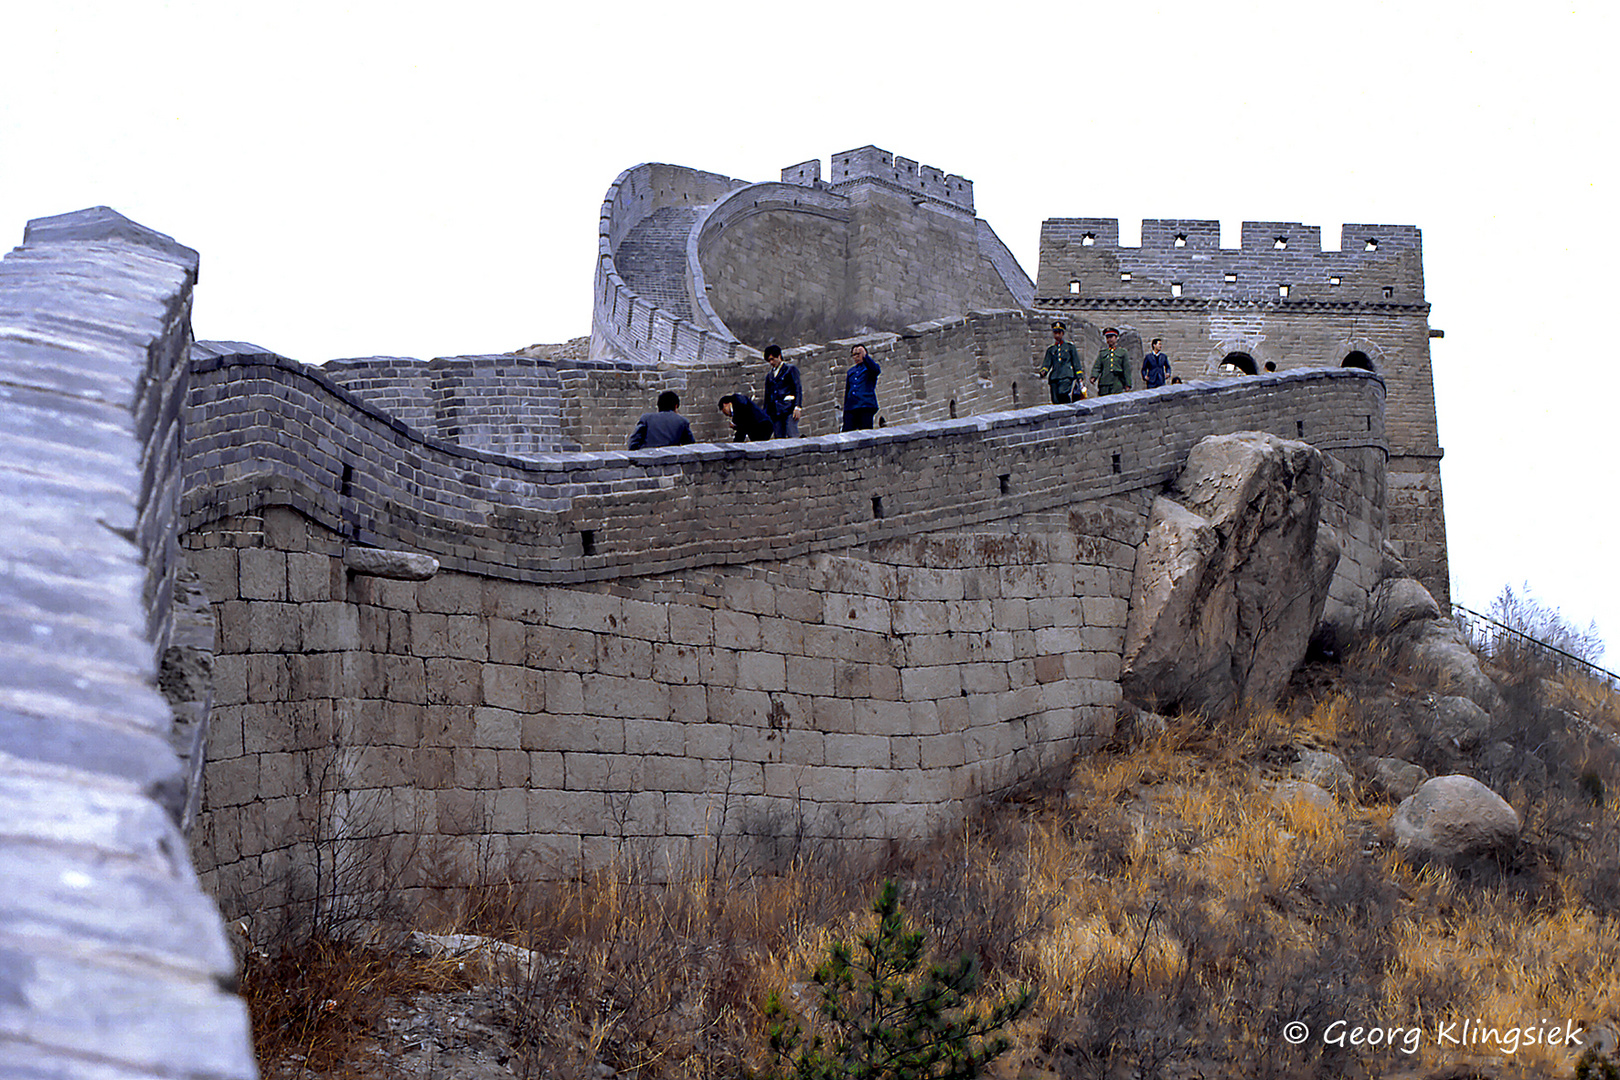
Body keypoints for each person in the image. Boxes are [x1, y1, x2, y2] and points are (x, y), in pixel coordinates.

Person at [627, 390, 694, 449]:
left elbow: (633, 443)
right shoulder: (682, 421)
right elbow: (691, 447)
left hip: (648, 458)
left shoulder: (646, 419)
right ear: (676, 406)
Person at [762, 344, 803, 438]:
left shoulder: (790, 370)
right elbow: (767, 396)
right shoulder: (769, 376)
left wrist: (797, 406)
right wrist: (765, 414)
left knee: (792, 433)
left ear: (779, 356)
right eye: (769, 360)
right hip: (775, 412)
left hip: (789, 408)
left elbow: (797, 388)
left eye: (773, 359)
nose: (771, 362)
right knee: (779, 437)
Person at [841, 343, 881, 431]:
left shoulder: (870, 368)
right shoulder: (851, 371)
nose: (856, 357)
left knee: (866, 431)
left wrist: (865, 356)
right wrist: (846, 409)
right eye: (854, 355)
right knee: (847, 431)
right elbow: (848, 391)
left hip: (865, 404)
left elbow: (875, 370)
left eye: (858, 354)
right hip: (852, 406)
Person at [1040, 321, 1082, 403]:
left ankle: (1069, 406)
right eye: (1055, 333)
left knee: (1062, 392)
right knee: (1055, 399)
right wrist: (1044, 370)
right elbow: (1047, 362)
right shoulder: (1051, 349)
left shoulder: (1070, 347)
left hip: (1066, 375)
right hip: (1055, 376)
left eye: (1059, 333)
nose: (1057, 335)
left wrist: (1079, 376)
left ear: (1062, 333)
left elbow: (1076, 362)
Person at [1091, 327, 1132, 397]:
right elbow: (1097, 366)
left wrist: (1127, 384)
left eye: (1111, 337)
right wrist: (1094, 377)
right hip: (1104, 382)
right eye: (1107, 337)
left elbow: (1126, 368)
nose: (1109, 339)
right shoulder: (1103, 353)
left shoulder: (1122, 352)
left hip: (1117, 382)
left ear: (1116, 338)